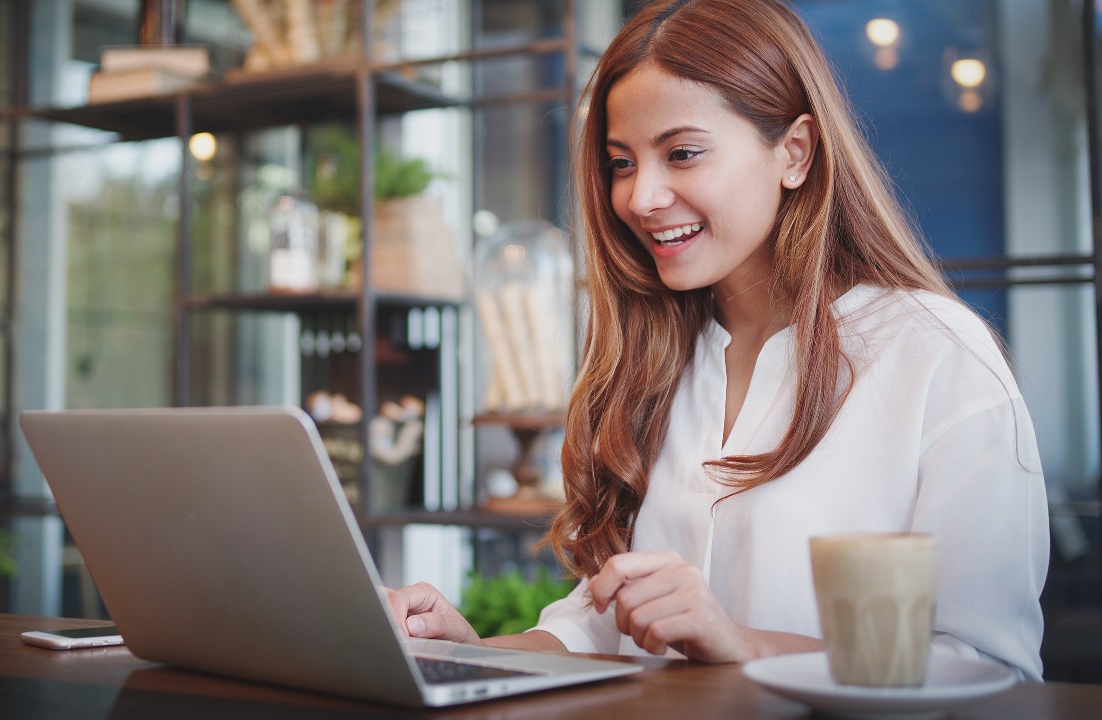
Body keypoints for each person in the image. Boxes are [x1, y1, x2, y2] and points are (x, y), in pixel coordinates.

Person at [386, 0, 1049, 680]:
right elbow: (603, 623)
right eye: (621, 163)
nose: (641, 198)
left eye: (683, 153)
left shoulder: (935, 354)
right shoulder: (662, 361)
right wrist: (458, 653)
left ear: (794, 152)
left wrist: (745, 645)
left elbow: (987, 664)